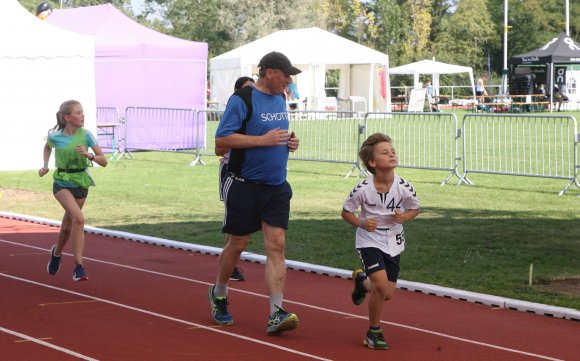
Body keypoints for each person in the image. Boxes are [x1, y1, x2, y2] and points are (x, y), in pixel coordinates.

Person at [209, 51, 301, 335]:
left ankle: (276, 312)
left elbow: (276, 133)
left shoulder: (281, 97)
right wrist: (263, 140)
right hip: (244, 183)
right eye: (286, 74)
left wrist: (290, 141)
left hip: (276, 186)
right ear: (269, 72)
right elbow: (222, 141)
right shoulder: (243, 99)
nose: (289, 80)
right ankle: (219, 293)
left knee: (276, 245)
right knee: (238, 243)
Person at [341, 133, 420, 350]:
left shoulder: (404, 186)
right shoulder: (363, 189)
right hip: (369, 239)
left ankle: (361, 282)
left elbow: (415, 208)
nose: (392, 153)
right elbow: (346, 212)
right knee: (381, 285)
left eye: (392, 150)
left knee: (386, 293)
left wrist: (405, 217)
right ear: (373, 163)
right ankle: (373, 332)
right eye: (385, 152)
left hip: (393, 239)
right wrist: (362, 223)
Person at [39, 100, 107, 281]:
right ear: (67, 117)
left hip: (81, 183)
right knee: (79, 219)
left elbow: (104, 161)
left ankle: (57, 253)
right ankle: (79, 267)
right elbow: (47, 147)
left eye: (83, 112)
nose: (83, 115)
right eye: (78, 112)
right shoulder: (55, 137)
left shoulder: (87, 136)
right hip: (62, 182)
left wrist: (89, 155)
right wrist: (45, 166)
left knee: (68, 227)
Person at [215, 76, 255, 282]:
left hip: (252, 174)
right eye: (248, 89)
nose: (253, 92)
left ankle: (231, 263)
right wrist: (243, 142)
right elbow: (218, 148)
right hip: (231, 171)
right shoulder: (233, 115)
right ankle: (229, 267)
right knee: (233, 220)